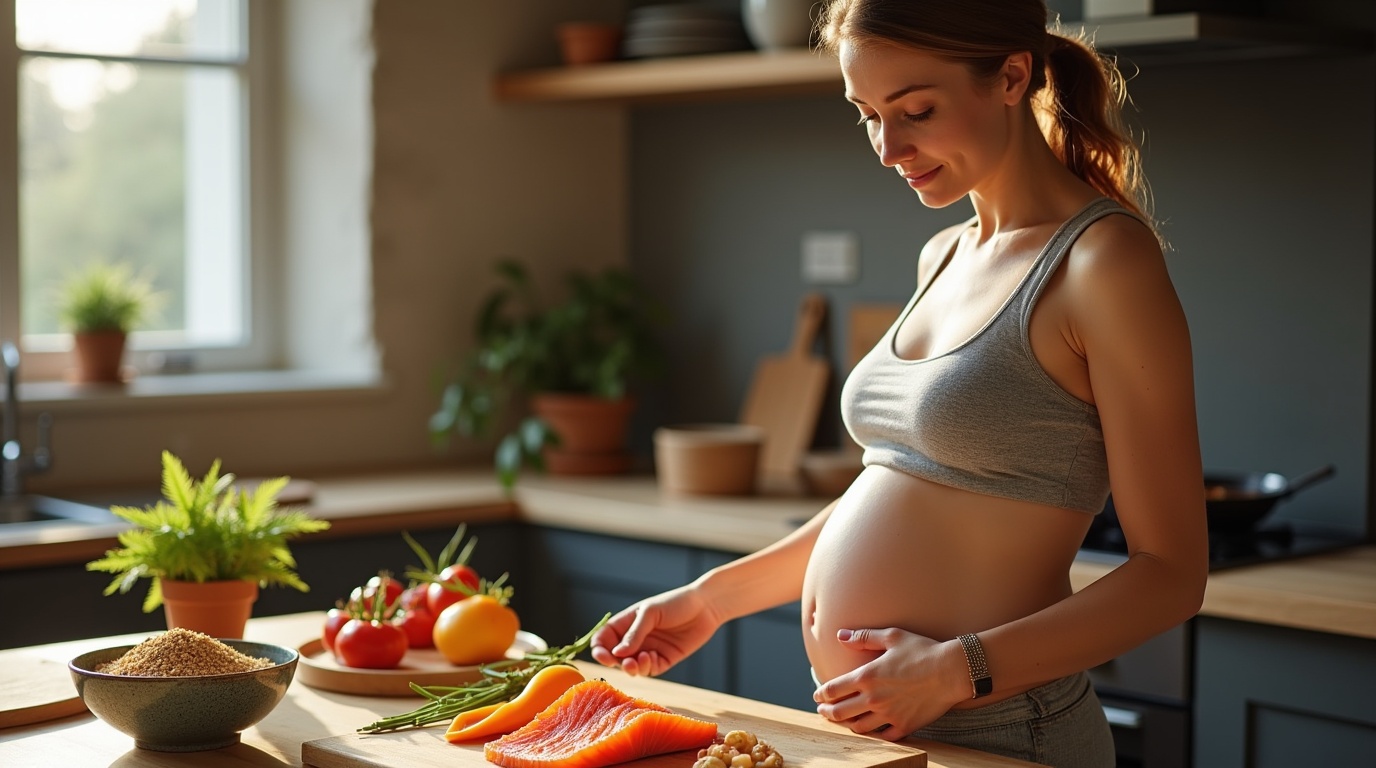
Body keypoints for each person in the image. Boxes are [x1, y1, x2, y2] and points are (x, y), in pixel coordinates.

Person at [590, 1, 1208, 765]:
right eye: (868, 115)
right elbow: (902, 488)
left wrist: (955, 670)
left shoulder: (1103, 264)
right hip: (876, 730)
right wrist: (712, 599)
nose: (888, 147)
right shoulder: (944, 254)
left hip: (1006, 730)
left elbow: (1172, 576)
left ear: (1013, 76)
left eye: (916, 110)